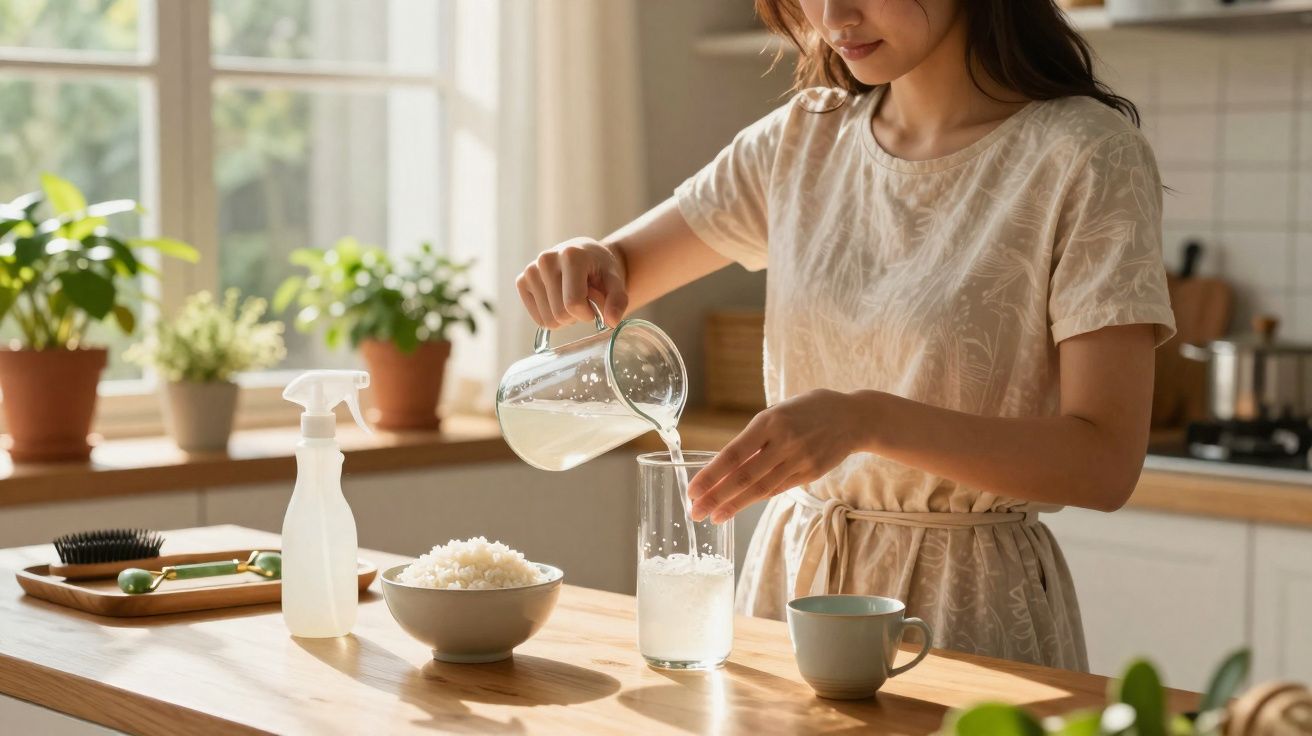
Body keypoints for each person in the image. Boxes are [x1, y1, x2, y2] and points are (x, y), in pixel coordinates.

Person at [514, 0, 1175, 670]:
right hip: (794, 591)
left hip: (966, 609)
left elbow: (1104, 463)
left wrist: (866, 420)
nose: (832, 15)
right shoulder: (801, 139)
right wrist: (586, 259)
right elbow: (617, 271)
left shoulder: (1087, 157)